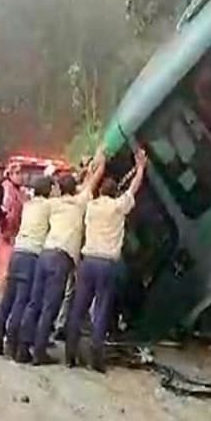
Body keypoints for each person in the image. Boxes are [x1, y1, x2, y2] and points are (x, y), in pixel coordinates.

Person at [17, 149, 106, 365]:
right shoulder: (80, 203)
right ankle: (39, 352)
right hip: (61, 258)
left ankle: (22, 347)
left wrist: (85, 171)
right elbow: (95, 179)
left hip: (45, 254)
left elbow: (81, 184)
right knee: (51, 305)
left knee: (34, 302)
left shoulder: (52, 204)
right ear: (74, 189)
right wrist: (100, 158)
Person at [64, 149, 148, 371]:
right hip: (107, 264)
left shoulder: (90, 206)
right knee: (101, 308)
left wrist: (98, 163)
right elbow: (133, 189)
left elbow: (89, 186)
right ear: (114, 193)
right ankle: (96, 357)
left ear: (100, 191)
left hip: (87, 261)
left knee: (79, 306)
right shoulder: (118, 207)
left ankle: (70, 353)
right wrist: (140, 168)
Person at [0, 175, 52, 358]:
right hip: (32, 255)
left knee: (8, 299)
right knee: (22, 300)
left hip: (18, 252)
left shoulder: (29, 204)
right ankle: (13, 343)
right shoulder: (50, 206)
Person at [0, 163, 26, 304]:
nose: (20, 176)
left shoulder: (20, 191)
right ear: (10, 174)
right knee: (2, 271)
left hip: (14, 235)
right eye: (17, 173)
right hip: (5, 235)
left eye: (21, 172)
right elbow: (5, 212)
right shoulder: (7, 189)